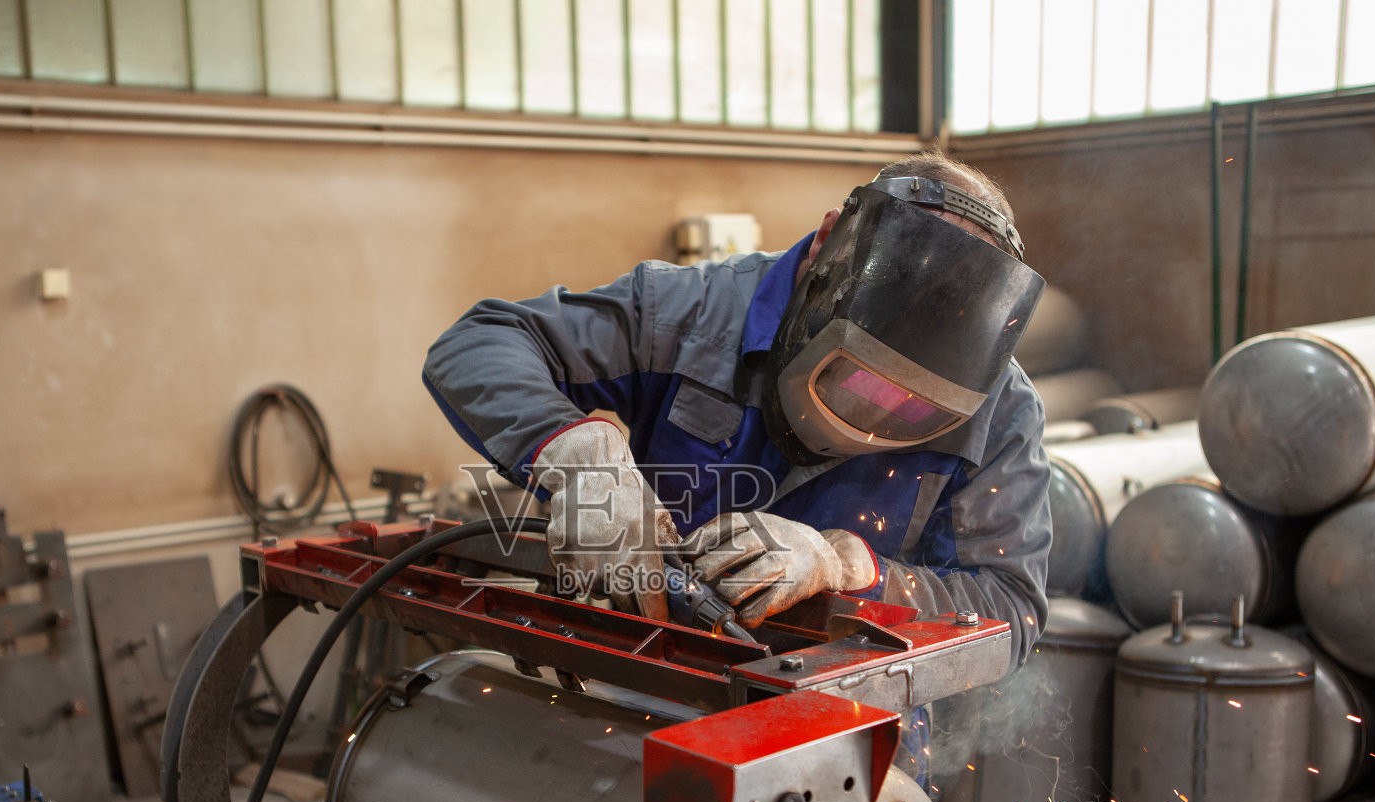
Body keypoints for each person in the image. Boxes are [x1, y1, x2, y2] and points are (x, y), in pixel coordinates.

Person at [423, 150, 1052, 697]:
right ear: (827, 245)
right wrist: (581, 462)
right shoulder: (693, 311)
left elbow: (1010, 609)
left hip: (845, 723)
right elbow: (483, 342)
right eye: (855, 373)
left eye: (908, 405)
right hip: (642, 679)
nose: (872, 412)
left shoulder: (1000, 409)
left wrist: (855, 569)